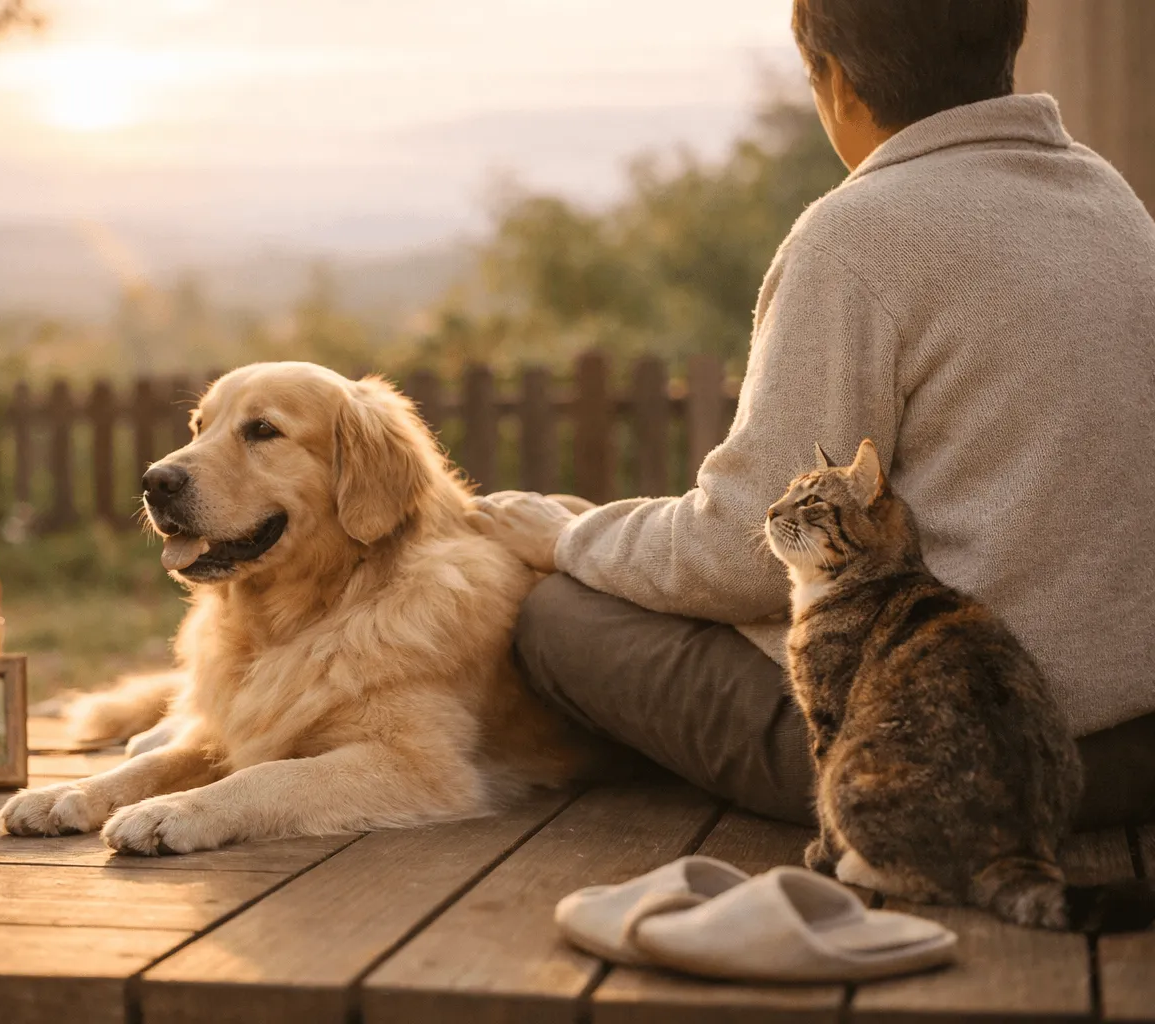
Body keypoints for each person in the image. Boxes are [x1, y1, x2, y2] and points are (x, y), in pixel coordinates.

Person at [470, 0, 1155, 828]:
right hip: (1130, 751)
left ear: (831, 78)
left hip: (947, 776)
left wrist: (572, 538)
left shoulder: (855, 235)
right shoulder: (1109, 199)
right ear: (1010, 40)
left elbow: (742, 553)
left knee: (555, 614)